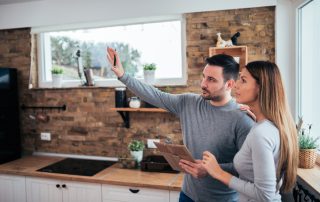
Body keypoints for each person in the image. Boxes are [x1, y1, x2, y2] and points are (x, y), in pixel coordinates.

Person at [106, 47, 254, 202]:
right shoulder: (188, 103)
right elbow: (155, 95)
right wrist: (123, 76)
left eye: (211, 80)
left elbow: (248, 169)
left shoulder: (242, 119)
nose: (203, 84)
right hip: (187, 195)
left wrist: (212, 170)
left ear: (229, 84)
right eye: (204, 77)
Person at [202, 61, 299, 202]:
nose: (236, 85)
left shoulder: (261, 133)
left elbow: (265, 194)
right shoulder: (270, 126)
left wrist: (218, 172)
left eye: (243, 80)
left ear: (260, 88)